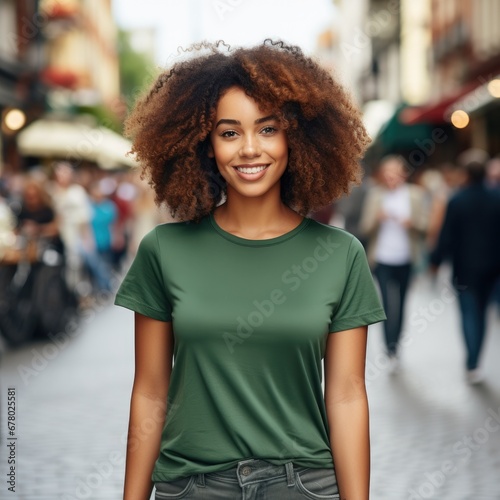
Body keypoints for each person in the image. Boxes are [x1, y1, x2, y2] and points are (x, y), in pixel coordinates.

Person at [115, 40, 386, 500]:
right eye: (229, 132)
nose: (249, 149)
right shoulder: (164, 251)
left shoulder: (340, 255)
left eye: (267, 129)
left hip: (302, 486)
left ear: (296, 139)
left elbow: (345, 395)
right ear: (204, 144)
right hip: (192, 487)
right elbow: (150, 391)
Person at [430, 152, 500, 384]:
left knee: (470, 314)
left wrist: (436, 261)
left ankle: (472, 362)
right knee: (481, 313)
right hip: (491, 269)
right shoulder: (496, 197)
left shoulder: (457, 200)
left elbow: (446, 236)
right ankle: (475, 361)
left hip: (465, 270)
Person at [359, 155, 428, 370]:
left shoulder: (415, 195)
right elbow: (364, 227)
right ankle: (389, 349)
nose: (391, 177)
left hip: (407, 259)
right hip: (382, 259)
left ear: (403, 174)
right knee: (389, 304)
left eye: (395, 173)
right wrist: (377, 218)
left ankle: (396, 345)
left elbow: (426, 226)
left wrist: (412, 223)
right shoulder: (375, 195)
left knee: (403, 302)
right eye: (387, 173)